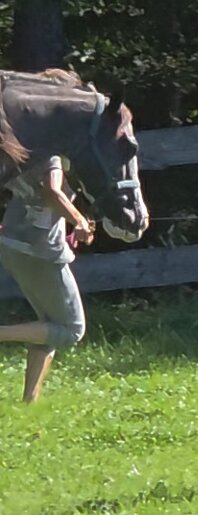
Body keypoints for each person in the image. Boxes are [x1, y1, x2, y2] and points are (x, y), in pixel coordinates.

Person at [0, 151, 93, 402]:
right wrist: (79, 221)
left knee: (48, 325)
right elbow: (51, 192)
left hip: (11, 244)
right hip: (38, 252)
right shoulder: (50, 154)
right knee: (71, 329)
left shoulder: (24, 149)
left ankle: (30, 401)